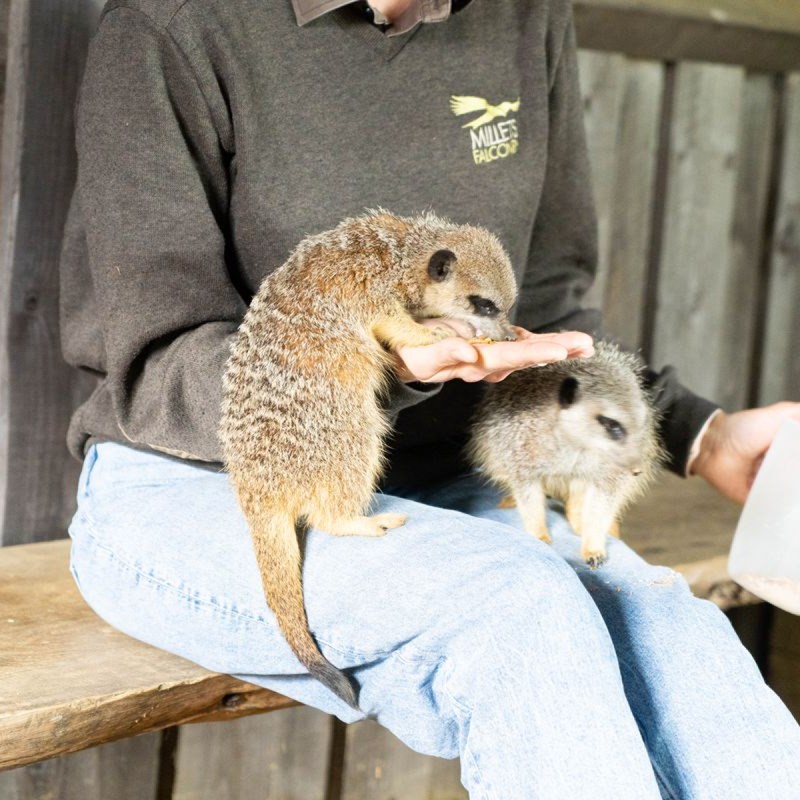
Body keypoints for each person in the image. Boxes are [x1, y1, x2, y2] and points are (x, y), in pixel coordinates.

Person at [60, 0, 800, 797]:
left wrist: (699, 433)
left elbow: (543, 310)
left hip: (442, 482)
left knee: (673, 630)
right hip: (197, 485)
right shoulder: (171, 27)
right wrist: (384, 364)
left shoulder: (526, 17)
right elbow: (155, 362)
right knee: (520, 614)